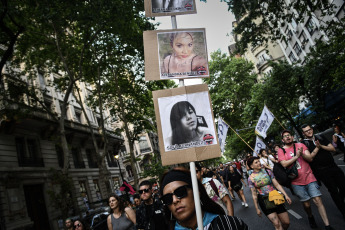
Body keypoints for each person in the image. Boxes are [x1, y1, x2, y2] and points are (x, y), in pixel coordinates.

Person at [278, 130, 334, 230]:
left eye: (289, 135)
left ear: (292, 137)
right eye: (285, 136)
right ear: (283, 140)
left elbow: (310, 159)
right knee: (306, 204)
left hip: (309, 177)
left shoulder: (300, 145)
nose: (288, 137)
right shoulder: (281, 151)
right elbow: (284, 164)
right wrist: (296, 156)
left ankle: (327, 225)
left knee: (317, 200)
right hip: (296, 182)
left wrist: (302, 154)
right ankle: (310, 216)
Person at [160, 167, 249, 230]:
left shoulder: (232, 225)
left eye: (180, 192)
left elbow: (227, 200)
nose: (175, 200)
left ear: (197, 192)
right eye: (167, 198)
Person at [301, 124, 345, 219]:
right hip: (322, 171)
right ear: (303, 133)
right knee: (333, 191)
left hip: (333, 166)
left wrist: (321, 146)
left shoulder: (320, 137)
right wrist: (317, 148)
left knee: (343, 186)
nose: (309, 132)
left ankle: (341, 201)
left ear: (312, 129)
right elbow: (310, 158)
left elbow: (332, 149)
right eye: (306, 131)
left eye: (310, 129)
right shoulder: (304, 144)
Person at [247, 157, 292, 230]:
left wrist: (286, 195)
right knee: (276, 223)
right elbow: (254, 194)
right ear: (252, 166)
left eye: (259, 161)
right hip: (264, 200)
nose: (259, 163)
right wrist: (257, 208)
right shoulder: (251, 178)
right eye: (256, 162)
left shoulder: (267, 171)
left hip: (275, 197)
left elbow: (277, 185)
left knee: (286, 222)